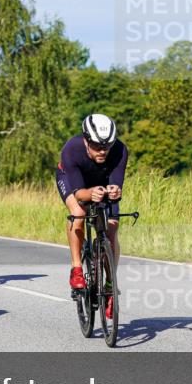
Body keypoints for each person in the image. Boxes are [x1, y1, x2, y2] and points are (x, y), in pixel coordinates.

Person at [55, 114, 128, 316]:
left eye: (107, 145)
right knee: (78, 213)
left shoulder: (120, 150)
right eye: (97, 146)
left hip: (101, 181)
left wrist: (115, 191)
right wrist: (90, 194)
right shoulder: (71, 149)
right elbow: (79, 193)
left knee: (112, 227)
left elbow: (116, 181)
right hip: (73, 182)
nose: (103, 151)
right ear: (86, 140)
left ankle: (110, 284)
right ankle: (77, 268)